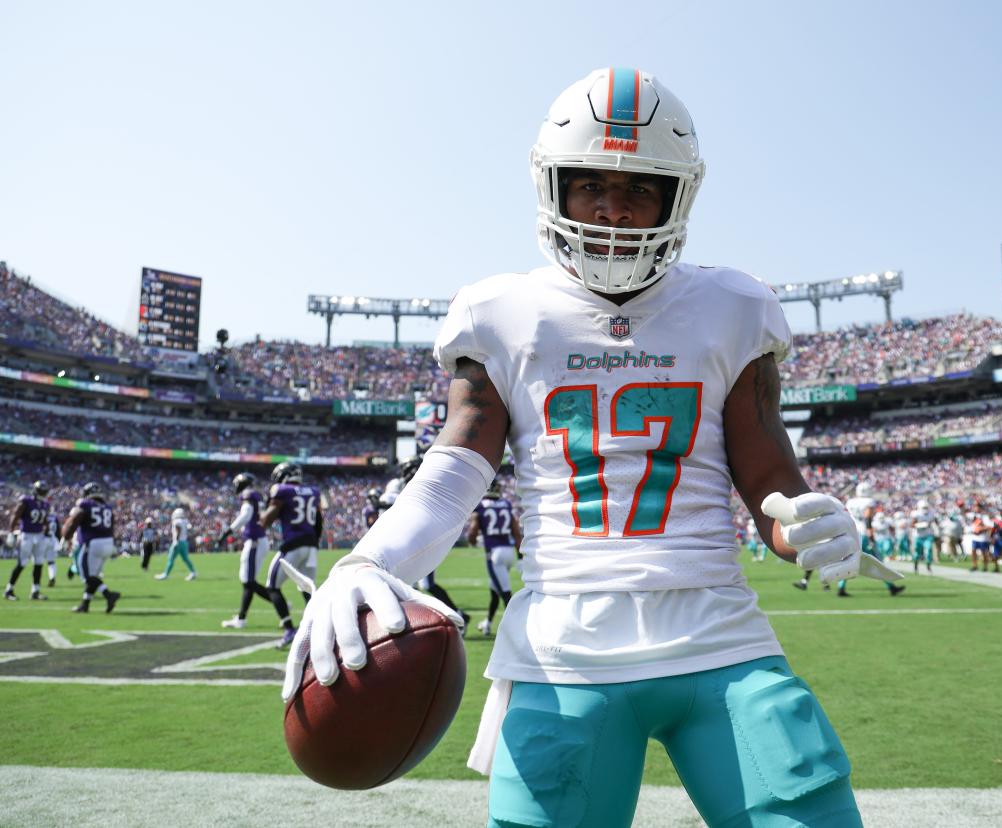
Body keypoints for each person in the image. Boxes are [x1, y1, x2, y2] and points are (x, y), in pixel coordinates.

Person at [282, 67, 900, 826]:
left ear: (678, 197)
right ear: (554, 188)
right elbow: (458, 463)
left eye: (639, 188)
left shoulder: (733, 306)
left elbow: (769, 479)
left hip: (720, 638)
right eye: (589, 186)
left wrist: (808, 523)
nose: (611, 209)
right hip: (561, 651)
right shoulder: (504, 311)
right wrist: (375, 558)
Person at [384, 452, 470, 627]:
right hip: (418, 541)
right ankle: (422, 621)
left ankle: (453, 616)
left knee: (422, 585)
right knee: (414, 585)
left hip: (425, 541)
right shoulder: (413, 487)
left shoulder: (423, 487)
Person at [261, 462, 323, 647]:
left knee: (272, 586)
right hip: (311, 545)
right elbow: (319, 521)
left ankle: (289, 629)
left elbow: (267, 519)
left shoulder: (281, 490)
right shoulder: (313, 491)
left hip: (293, 544)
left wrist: (264, 514)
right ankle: (320, 628)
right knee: (308, 589)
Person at [220, 472, 277, 629]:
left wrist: (228, 532)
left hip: (254, 542)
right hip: (258, 540)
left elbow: (245, 515)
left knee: (248, 581)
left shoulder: (248, 495)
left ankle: (279, 603)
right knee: (248, 582)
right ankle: (242, 617)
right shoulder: (256, 495)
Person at [467, 479, 523, 637]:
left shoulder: (481, 506)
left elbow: (472, 532)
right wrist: (519, 557)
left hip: (495, 555)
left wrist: (473, 541)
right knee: (494, 591)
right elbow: (516, 532)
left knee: (506, 594)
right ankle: (488, 624)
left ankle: (519, 629)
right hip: (509, 552)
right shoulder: (506, 504)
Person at [60, 482, 121, 613]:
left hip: (92, 544)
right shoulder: (107, 507)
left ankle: (109, 594)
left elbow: (74, 521)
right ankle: (85, 604)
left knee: (87, 576)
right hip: (108, 543)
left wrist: (65, 537)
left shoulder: (85, 504)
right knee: (93, 576)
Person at [5, 480, 54, 601]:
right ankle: (9, 590)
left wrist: (48, 531)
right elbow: (15, 516)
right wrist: (11, 532)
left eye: (45, 491)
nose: (43, 493)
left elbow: (45, 520)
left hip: (39, 535)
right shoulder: (26, 501)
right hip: (27, 535)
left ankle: (35, 591)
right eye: (42, 491)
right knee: (22, 563)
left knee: (39, 563)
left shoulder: (45, 505)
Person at [154, 507, 197, 581]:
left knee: (171, 559)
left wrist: (176, 541)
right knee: (186, 559)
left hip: (178, 542)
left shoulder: (177, 521)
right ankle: (193, 572)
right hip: (184, 542)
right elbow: (190, 530)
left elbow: (178, 530)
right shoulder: (185, 521)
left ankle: (165, 574)